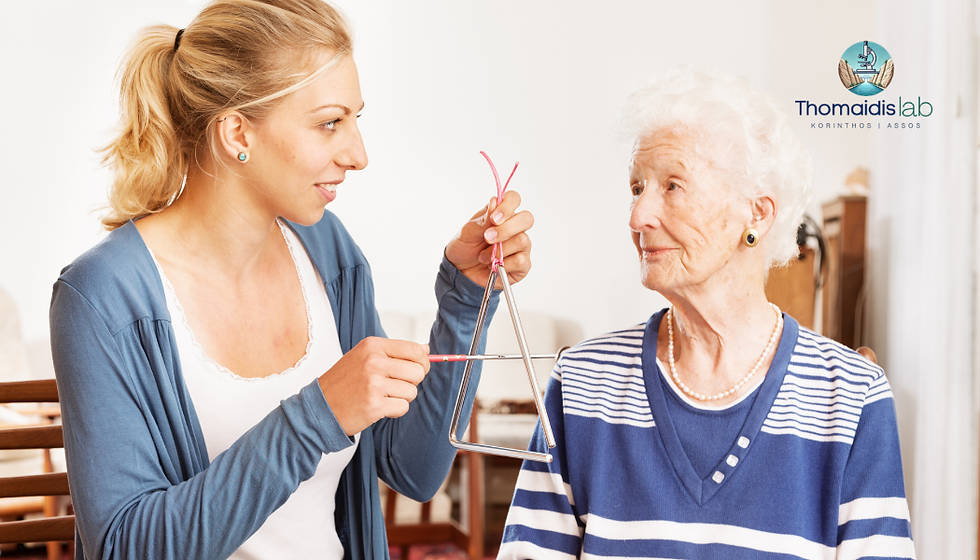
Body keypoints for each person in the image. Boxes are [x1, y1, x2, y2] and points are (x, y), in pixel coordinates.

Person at [49, 1, 534, 559]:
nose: (359, 154)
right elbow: (124, 547)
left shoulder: (329, 252)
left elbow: (413, 469)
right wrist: (317, 416)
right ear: (237, 132)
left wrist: (467, 296)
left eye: (356, 119)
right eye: (330, 122)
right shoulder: (102, 297)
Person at [498, 67, 915, 559]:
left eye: (673, 185)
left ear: (757, 213)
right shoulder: (582, 384)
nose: (637, 217)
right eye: (637, 188)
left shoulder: (851, 398)